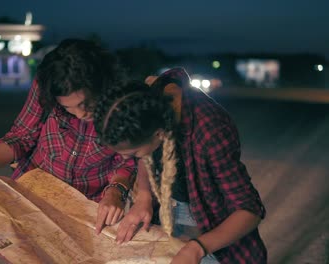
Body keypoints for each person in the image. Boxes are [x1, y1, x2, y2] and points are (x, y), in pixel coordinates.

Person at [93, 67, 267, 263]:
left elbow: (250, 210)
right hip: (168, 204)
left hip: (210, 219)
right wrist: (144, 197)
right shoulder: (149, 102)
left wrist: (197, 248)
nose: (126, 160)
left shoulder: (210, 131)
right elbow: (145, 155)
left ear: (159, 134)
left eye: (132, 154)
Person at [0, 39, 137, 230]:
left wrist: (115, 191)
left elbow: (127, 161)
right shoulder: (48, 84)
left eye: (86, 105)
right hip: (33, 191)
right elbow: (22, 135)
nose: (80, 115)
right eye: (68, 108)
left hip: (88, 203)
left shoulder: (121, 101)